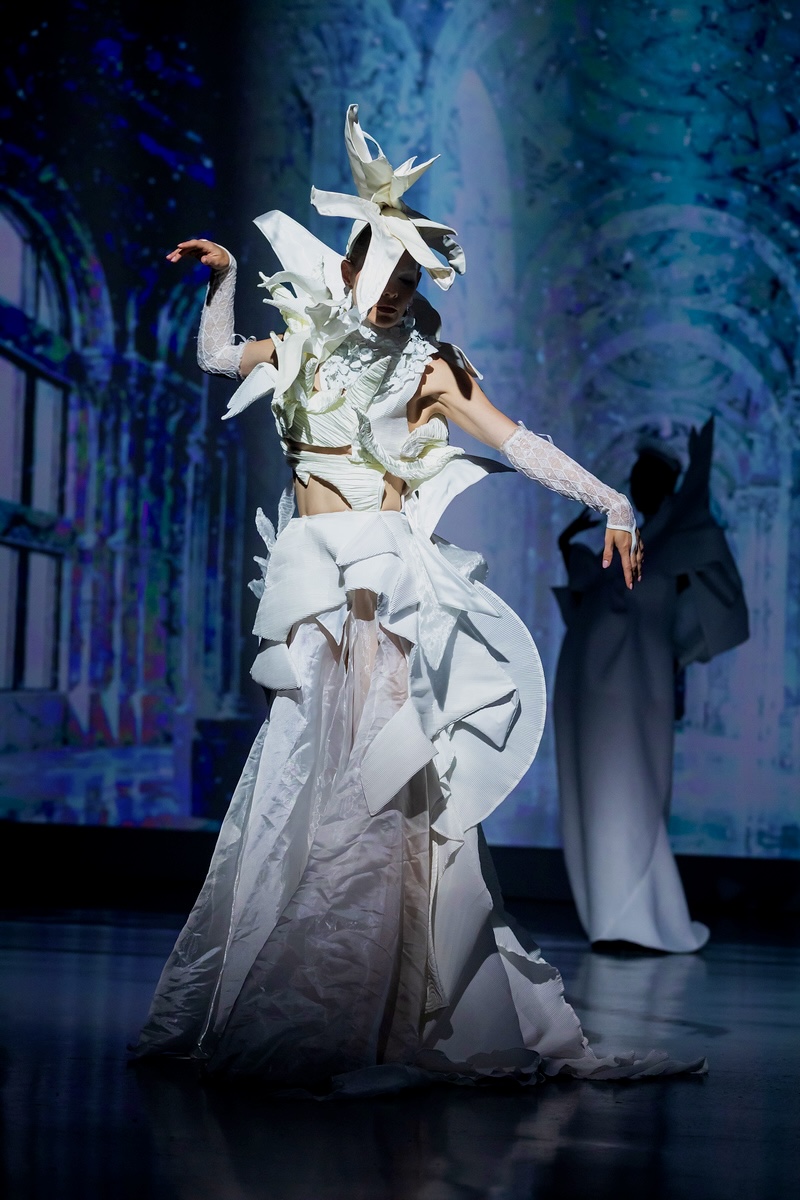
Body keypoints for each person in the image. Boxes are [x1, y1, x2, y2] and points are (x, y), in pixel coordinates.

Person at [134, 105, 705, 1092]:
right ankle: (302, 989)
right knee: (298, 781)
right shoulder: (304, 344)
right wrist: (224, 277)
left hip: (383, 591)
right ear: (352, 266)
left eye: (413, 281)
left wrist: (611, 500)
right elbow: (217, 360)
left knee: (385, 784)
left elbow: (517, 441)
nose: (399, 293)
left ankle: (381, 1008)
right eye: (388, 274)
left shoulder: (427, 367)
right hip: (312, 589)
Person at [554, 421, 749, 953]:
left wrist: (701, 469)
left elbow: (701, 584)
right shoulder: (630, 538)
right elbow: (590, 594)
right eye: (636, 475)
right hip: (591, 679)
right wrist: (569, 546)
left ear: (667, 484)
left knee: (631, 785)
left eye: (648, 476)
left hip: (638, 682)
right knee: (598, 787)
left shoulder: (679, 538)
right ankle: (608, 916)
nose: (638, 484)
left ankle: (640, 915)